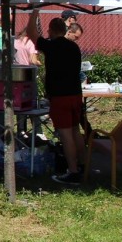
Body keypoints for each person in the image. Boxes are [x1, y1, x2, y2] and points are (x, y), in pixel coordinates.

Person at [26, 10, 84, 185]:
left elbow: (30, 32)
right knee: (75, 131)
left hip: (60, 96)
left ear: (51, 30)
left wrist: (35, 12)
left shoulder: (50, 45)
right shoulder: (74, 47)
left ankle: (73, 171)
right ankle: (83, 165)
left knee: (65, 134)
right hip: (75, 94)